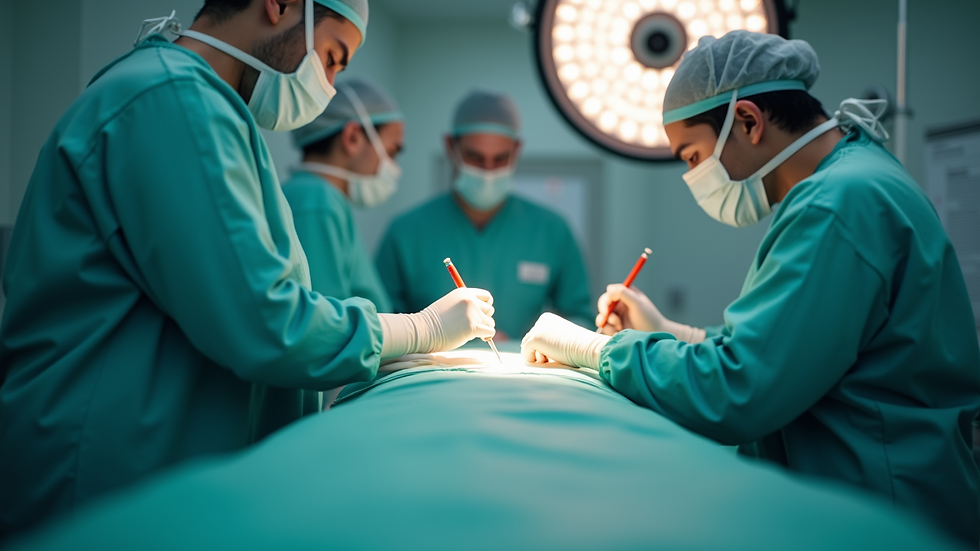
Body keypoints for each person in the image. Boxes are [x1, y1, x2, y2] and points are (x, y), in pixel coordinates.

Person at [0, 0, 495, 538]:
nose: (327, 86)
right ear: (279, 6)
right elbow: (266, 320)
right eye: (332, 57)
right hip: (103, 477)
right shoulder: (170, 101)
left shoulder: (200, 107)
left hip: (155, 466)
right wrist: (421, 329)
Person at [521, 30, 980, 545]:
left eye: (693, 158)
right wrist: (675, 332)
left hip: (887, 514)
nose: (695, 178)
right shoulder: (861, 180)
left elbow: (740, 391)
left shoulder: (837, 205)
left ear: (747, 121)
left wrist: (598, 349)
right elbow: (793, 352)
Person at [376, 90, 592, 341]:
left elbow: (581, 319)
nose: (488, 171)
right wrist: (432, 340)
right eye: (475, 157)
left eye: (500, 158)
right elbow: (380, 328)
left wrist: (537, 342)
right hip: (430, 377)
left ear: (517, 150)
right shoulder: (406, 232)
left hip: (522, 375)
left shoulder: (552, 231)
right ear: (450, 147)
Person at [283, 77, 401, 312]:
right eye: (391, 151)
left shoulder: (313, 197)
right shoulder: (317, 201)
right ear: (352, 137)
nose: (393, 166)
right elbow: (325, 322)